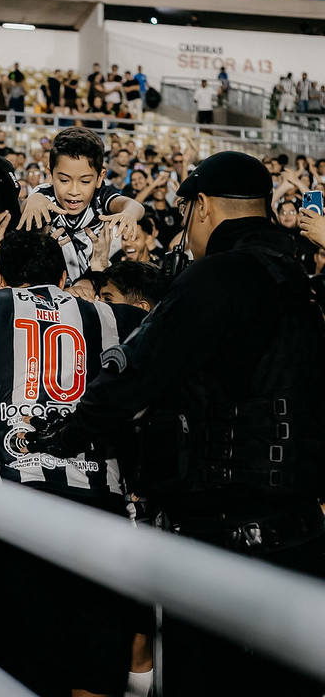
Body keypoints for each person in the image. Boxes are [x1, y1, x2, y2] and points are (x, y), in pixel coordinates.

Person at [24, 151, 325, 697]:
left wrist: (62, 435)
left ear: (202, 206)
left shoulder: (220, 275)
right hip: (301, 537)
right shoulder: (299, 278)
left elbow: (137, 375)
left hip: (225, 545)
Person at [0, 229, 145, 697]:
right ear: (61, 278)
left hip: (12, 509)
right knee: (95, 668)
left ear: (3, 278)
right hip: (98, 506)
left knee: (22, 671)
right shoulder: (110, 316)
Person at [17, 126, 144, 286]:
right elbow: (27, 208)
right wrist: (33, 200)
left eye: (85, 181)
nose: (74, 191)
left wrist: (129, 214)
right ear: (51, 175)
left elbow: (133, 205)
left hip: (94, 281)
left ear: (99, 178)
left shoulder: (101, 196)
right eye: (64, 180)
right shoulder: (44, 196)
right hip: (51, 286)